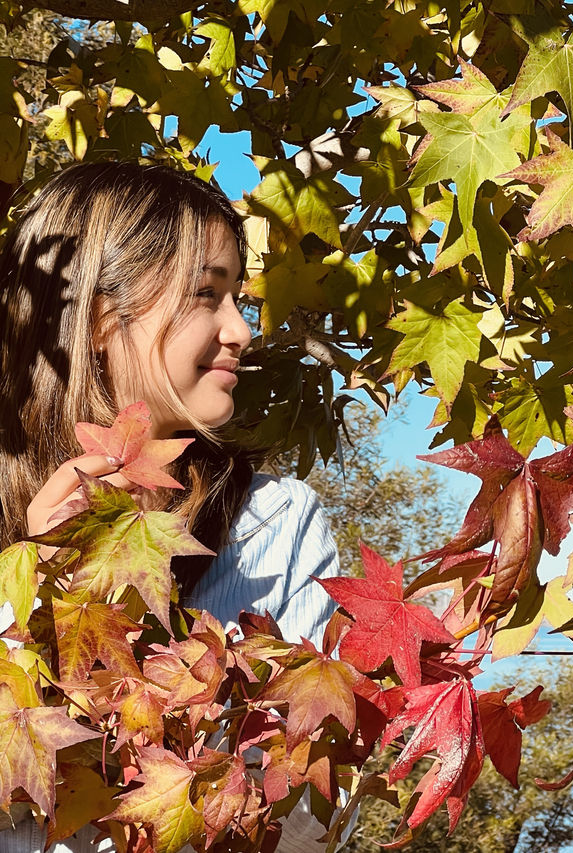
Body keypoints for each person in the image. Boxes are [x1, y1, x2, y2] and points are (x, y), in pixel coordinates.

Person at [0, 162, 340, 852]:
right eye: (206, 295)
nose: (242, 331)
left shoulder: (275, 524)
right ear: (97, 315)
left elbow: (303, 823)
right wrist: (36, 603)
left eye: (238, 298)